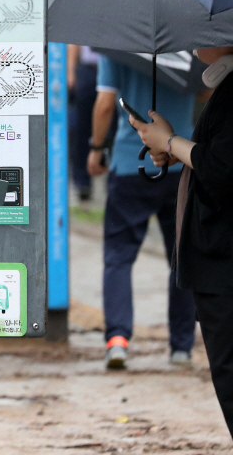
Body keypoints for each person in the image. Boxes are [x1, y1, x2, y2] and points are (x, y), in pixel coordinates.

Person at [131, 46, 233, 437]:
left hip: (224, 263)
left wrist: (171, 142)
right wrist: (174, 150)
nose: (192, 44)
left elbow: (223, 168)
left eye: (201, 33)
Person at [89, 55, 195, 369]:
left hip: (129, 162)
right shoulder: (188, 41)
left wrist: (96, 148)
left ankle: (117, 340)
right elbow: (206, 92)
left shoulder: (117, 46)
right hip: (180, 162)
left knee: (119, 256)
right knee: (181, 257)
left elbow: (105, 104)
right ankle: (181, 346)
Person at [69, 44, 101, 200]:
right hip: (88, 70)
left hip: (110, 67)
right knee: (82, 129)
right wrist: (70, 71)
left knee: (112, 127)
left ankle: (109, 173)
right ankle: (82, 181)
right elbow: (74, 43)